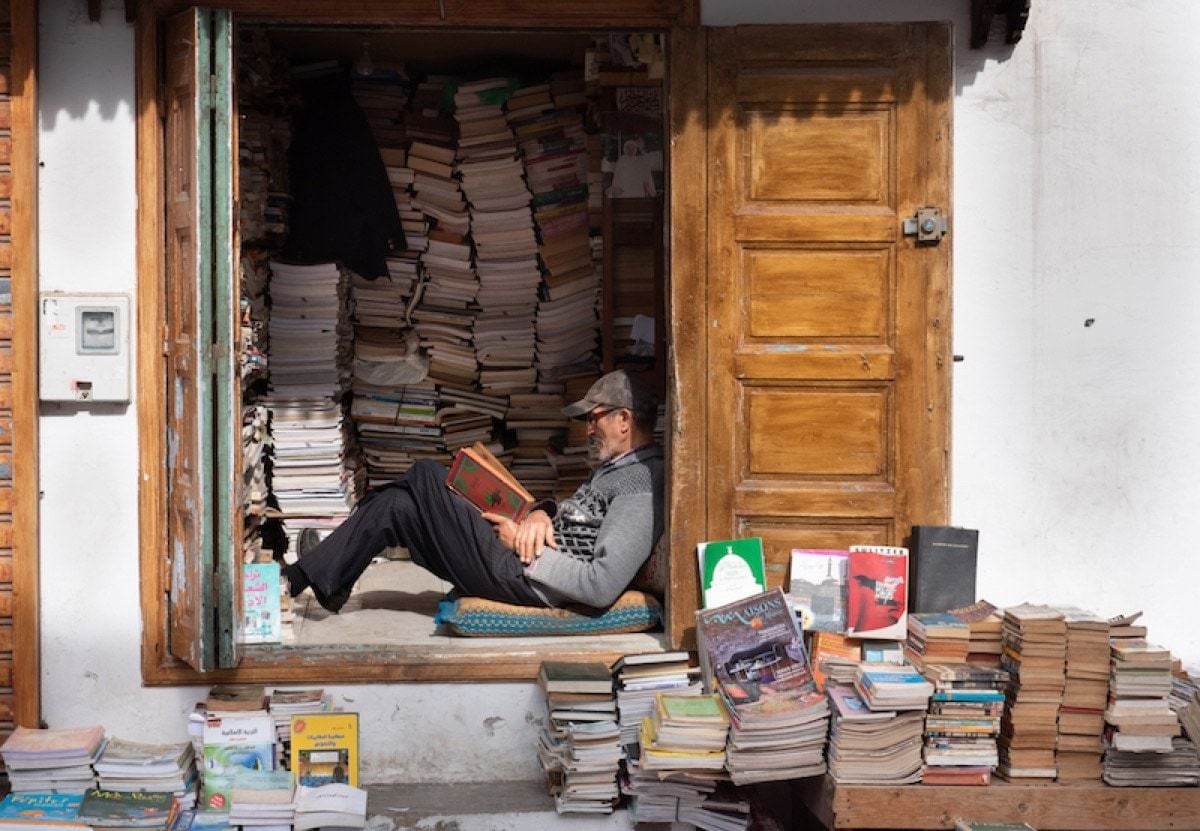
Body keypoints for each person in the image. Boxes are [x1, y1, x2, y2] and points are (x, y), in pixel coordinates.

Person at [283, 370, 663, 614]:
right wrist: (540, 513)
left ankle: (319, 567)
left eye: (593, 419)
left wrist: (522, 549)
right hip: (520, 562)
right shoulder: (615, 471)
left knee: (428, 475)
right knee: (397, 507)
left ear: (624, 420)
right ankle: (311, 579)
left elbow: (600, 585)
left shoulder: (640, 483)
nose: (587, 431)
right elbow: (577, 523)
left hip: (525, 577)